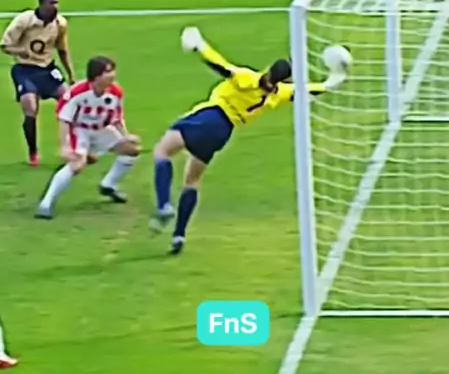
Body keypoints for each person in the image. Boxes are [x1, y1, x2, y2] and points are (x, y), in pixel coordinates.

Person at [152, 27, 351, 254]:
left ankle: (164, 204)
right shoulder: (278, 94)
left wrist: (199, 45)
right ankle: (179, 235)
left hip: (210, 116)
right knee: (192, 179)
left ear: (268, 69)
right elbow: (309, 90)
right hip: (223, 132)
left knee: (162, 152)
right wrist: (333, 80)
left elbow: (220, 65)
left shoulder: (249, 78)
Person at [35, 56, 141, 219]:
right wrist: (64, 146)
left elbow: (117, 118)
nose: (113, 75)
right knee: (77, 164)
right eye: (108, 72)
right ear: (96, 76)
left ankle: (108, 185)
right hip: (80, 131)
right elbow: (64, 118)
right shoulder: (77, 92)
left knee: (132, 150)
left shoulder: (116, 92)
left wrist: (125, 136)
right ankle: (46, 203)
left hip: (101, 130)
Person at [0, 0, 75, 165]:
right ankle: (33, 152)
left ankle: (74, 146)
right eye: (51, 3)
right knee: (30, 107)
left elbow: (62, 50)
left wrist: (71, 75)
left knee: (70, 101)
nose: (55, 7)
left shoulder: (60, 23)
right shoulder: (24, 20)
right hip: (24, 69)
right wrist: (21, 51)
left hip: (47, 69)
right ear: (41, 4)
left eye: (56, 2)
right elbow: (5, 45)